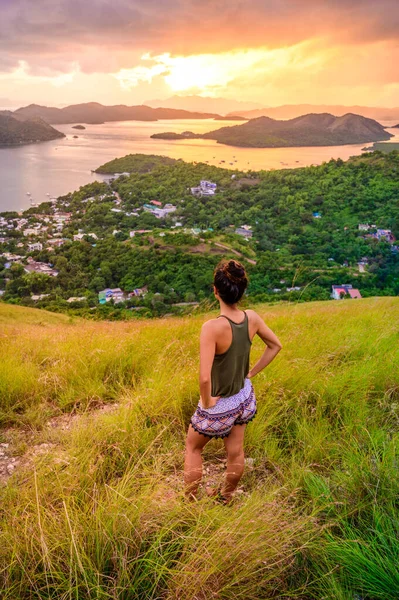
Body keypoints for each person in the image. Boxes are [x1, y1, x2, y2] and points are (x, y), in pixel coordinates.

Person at [184, 259, 282, 504]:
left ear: (215, 290)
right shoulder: (252, 318)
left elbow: (205, 378)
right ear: (241, 291)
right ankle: (225, 496)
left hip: (219, 402)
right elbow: (275, 346)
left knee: (193, 447)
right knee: (236, 451)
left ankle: (189, 502)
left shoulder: (212, 327)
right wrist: (251, 373)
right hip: (243, 396)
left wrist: (207, 403)